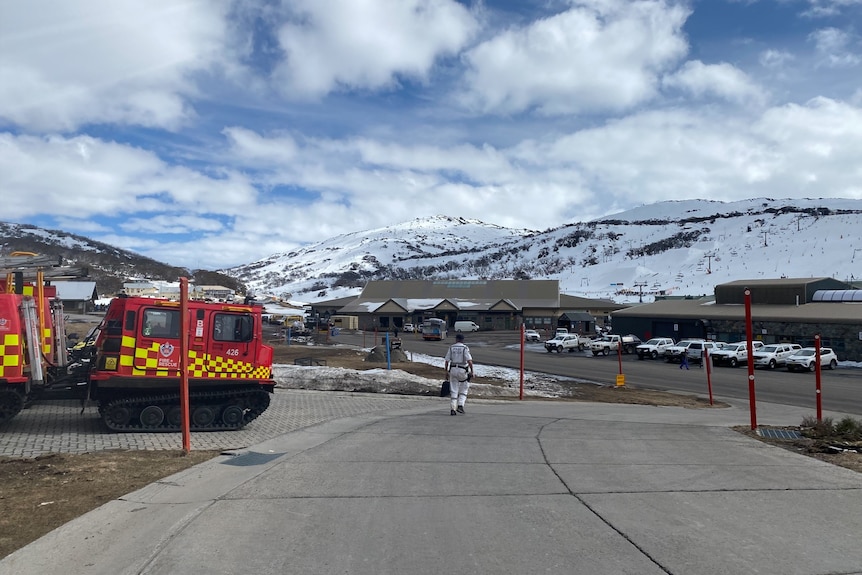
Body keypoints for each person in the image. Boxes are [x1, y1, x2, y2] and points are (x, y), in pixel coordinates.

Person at [444, 333, 474, 415]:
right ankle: (460, 405)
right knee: (464, 388)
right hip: (462, 370)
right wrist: (472, 371)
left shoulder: (451, 347)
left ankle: (453, 408)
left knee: (454, 389)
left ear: (456, 339)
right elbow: (469, 361)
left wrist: (446, 371)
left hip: (453, 369)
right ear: (462, 340)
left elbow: (447, 361)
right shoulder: (465, 348)